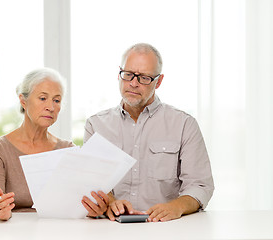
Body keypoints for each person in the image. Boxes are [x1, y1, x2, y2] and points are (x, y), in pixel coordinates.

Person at [81, 43, 214, 222]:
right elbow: (92, 181)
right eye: (127, 75)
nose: (133, 83)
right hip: (111, 229)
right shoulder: (96, 125)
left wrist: (177, 206)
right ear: (119, 74)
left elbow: (200, 185)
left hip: (166, 228)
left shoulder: (184, 124)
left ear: (158, 81)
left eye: (144, 78)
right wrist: (111, 202)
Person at [0, 67, 74, 220]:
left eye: (56, 100)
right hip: (14, 231)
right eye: (43, 98)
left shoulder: (68, 150)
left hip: (58, 231)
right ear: (23, 101)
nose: (50, 107)